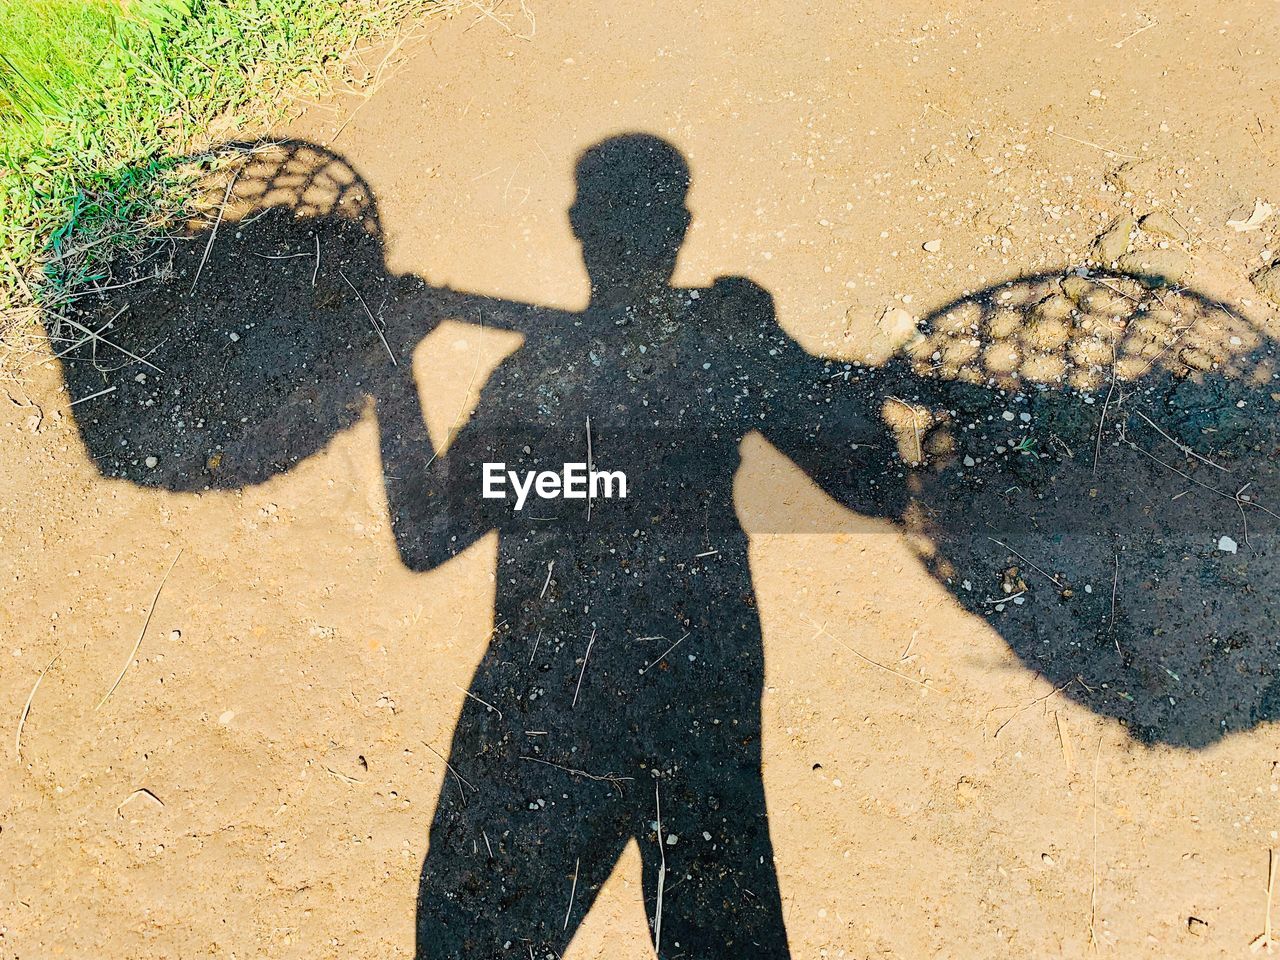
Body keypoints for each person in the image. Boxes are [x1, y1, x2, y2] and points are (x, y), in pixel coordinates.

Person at [374, 134, 909, 959]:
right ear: (680, 227)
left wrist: (391, 372)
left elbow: (425, 536)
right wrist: (783, 360)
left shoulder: (532, 376)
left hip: (551, 694)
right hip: (698, 674)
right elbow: (875, 483)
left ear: (578, 225)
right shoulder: (714, 343)